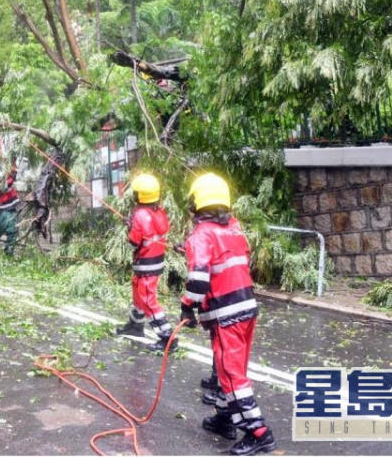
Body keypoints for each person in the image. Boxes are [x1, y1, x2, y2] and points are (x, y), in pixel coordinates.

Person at [180, 172, 275, 455]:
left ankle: (259, 433)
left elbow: (198, 281)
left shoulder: (201, 236)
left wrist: (187, 306)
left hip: (225, 315)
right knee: (230, 371)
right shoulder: (234, 229)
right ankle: (224, 419)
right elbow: (222, 259)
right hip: (247, 308)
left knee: (232, 376)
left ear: (197, 203)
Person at [115, 173, 175, 353]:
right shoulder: (160, 212)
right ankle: (135, 325)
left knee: (148, 300)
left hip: (146, 263)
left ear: (139, 195)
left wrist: (130, 227)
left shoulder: (139, 215)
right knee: (138, 293)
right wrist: (132, 225)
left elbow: (133, 242)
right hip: (156, 261)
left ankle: (168, 338)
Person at [0, 163, 19, 258]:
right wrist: (13, 173)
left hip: (12, 210)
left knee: (13, 232)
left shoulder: (6, 178)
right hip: (4, 210)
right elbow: (5, 186)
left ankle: (9, 253)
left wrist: (13, 164)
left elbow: (11, 177)